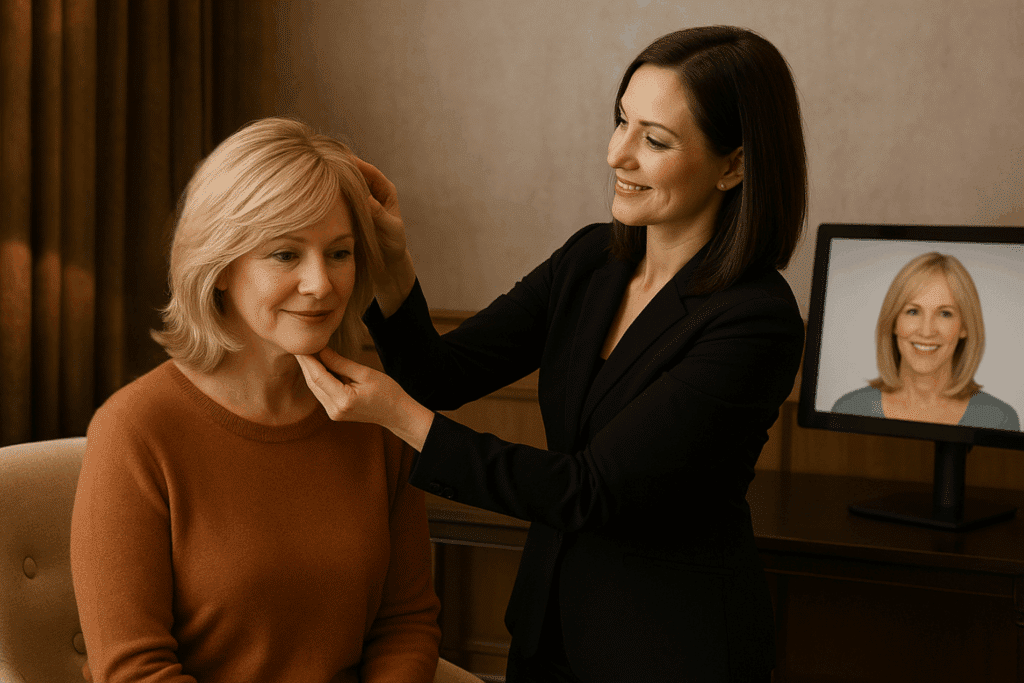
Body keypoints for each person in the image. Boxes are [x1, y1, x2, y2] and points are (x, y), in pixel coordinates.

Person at [299, 26, 806, 682]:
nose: (617, 154)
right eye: (620, 121)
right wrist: (393, 264)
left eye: (654, 139)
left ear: (734, 164)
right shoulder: (591, 261)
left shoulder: (755, 320)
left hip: (668, 649)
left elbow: (590, 490)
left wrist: (399, 417)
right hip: (548, 631)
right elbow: (438, 374)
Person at [70, 117, 441, 683]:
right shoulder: (135, 429)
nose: (321, 283)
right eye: (286, 255)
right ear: (219, 269)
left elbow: (406, 626)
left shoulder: (378, 417)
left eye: (339, 254)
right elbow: (135, 670)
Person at [831, 251, 1019, 430]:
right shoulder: (850, 410)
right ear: (894, 322)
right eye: (913, 311)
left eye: (945, 313)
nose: (927, 331)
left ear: (965, 327)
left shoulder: (998, 419)